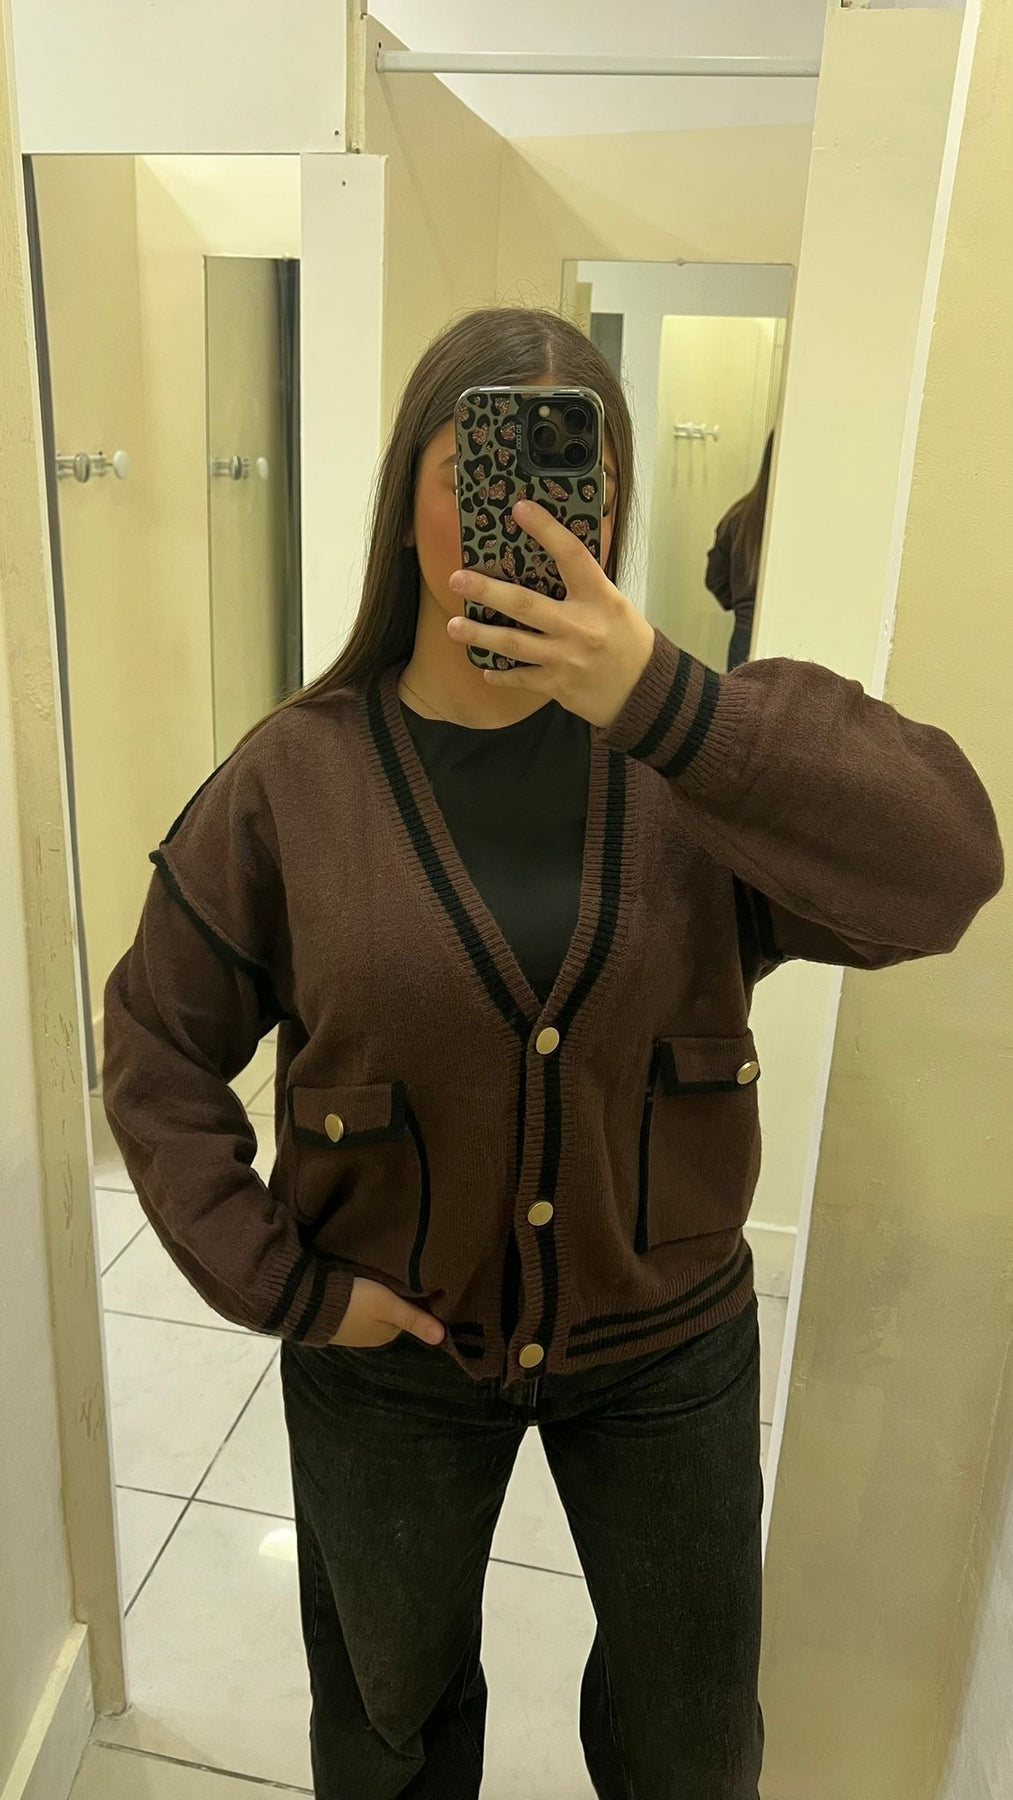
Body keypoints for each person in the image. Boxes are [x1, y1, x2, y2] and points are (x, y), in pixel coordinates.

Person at [102, 307, 1003, 1800]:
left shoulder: (699, 761)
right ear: (407, 497)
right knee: (388, 1730)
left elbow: (949, 869)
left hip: (666, 1346)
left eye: (570, 482)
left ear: (612, 509)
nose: (523, 518)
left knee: (690, 1746)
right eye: (478, 475)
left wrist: (668, 702)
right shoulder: (293, 781)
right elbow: (155, 1046)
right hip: (389, 1355)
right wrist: (286, 1286)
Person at [705, 432, 774, 670]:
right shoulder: (802, 525)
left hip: (743, 637)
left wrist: (740, 605)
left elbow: (715, 578)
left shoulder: (739, 515)